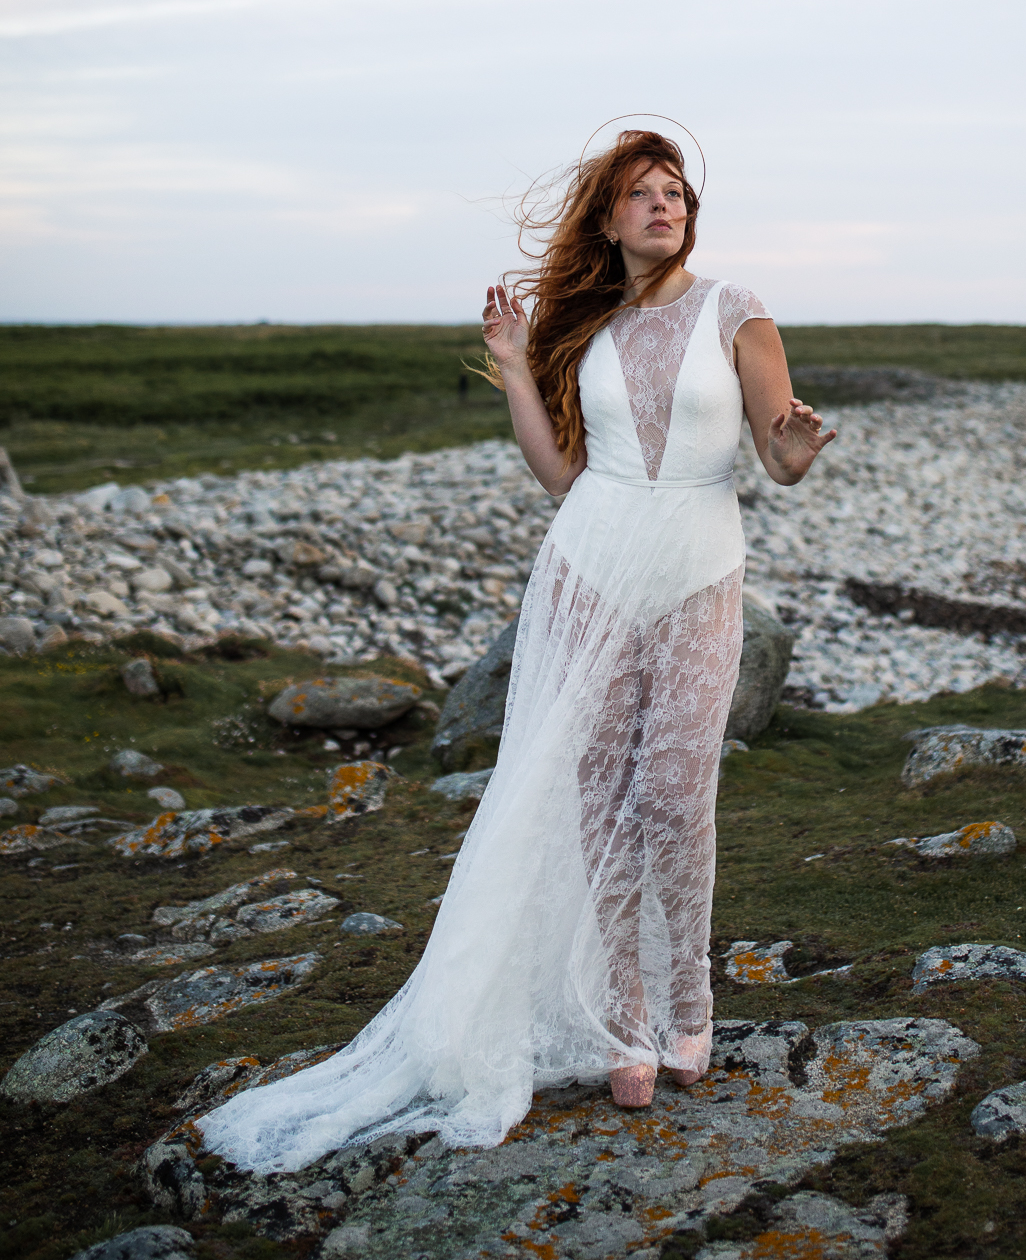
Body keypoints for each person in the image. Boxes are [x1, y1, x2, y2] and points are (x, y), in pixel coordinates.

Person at [196, 128, 833, 1170]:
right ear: (610, 217)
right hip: (590, 562)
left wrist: (794, 454)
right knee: (596, 795)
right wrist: (510, 366)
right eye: (642, 194)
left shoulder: (736, 307)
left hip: (698, 563)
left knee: (674, 791)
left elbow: (775, 445)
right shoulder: (586, 326)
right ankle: (626, 1022)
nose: (664, 205)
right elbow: (559, 477)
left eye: (675, 191)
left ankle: (689, 999)